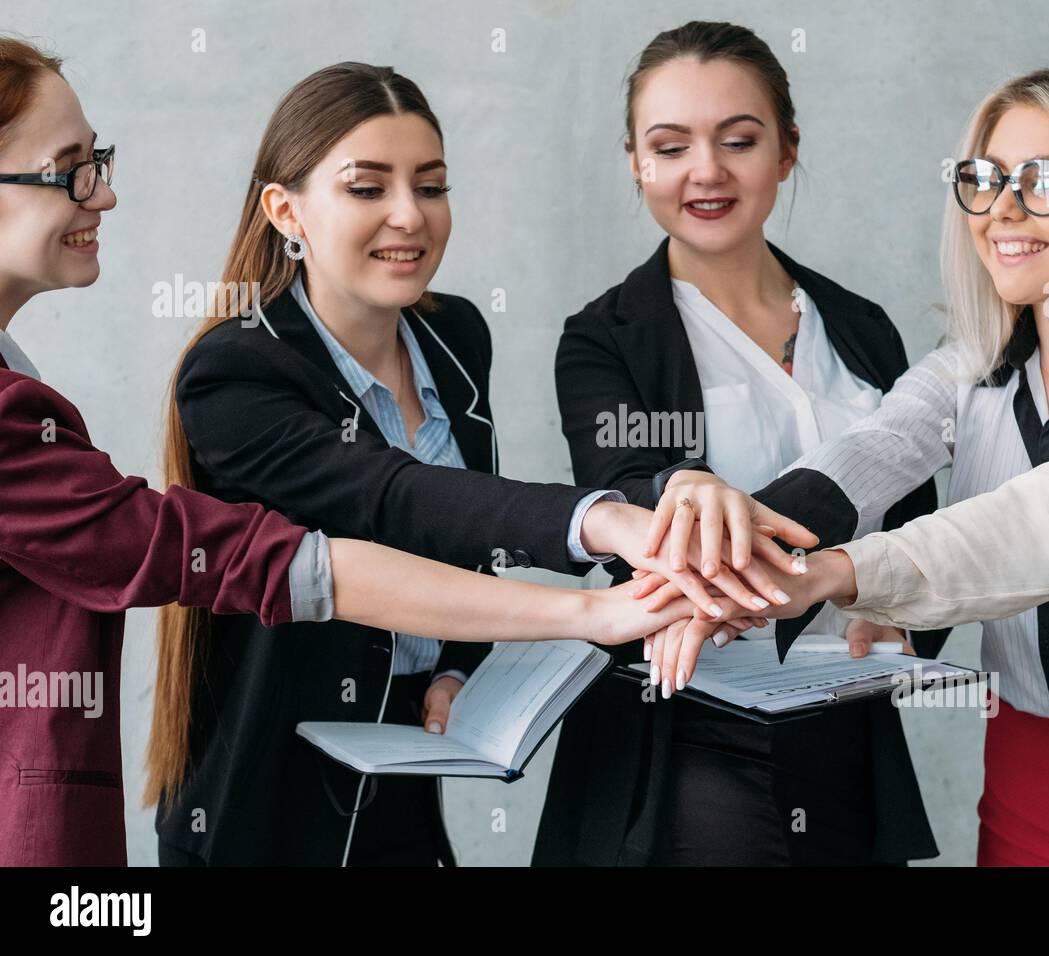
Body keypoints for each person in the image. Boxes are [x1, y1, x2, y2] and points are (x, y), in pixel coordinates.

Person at [0, 35, 725, 867]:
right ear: (286, 212)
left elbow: (463, 533)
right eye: (368, 187)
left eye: (432, 185)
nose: (410, 215)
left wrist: (456, 665)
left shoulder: (456, 335)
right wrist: (603, 546)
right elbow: (388, 501)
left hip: (409, 791)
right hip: (266, 811)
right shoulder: (233, 372)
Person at [645, 2, 1049, 866]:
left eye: (1040, 182)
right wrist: (753, 548)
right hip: (1027, 796)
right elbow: (888, 462)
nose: (999, 212)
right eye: (984, 181)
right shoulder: (972, 380)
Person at [534, 21, 946, 867]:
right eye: (670, 145)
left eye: (739, 140)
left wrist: (901, 624)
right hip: (689, 737)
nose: (706, 171)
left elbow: (920, 520)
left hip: (851, 725)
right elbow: (628, 490)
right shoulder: (604, 338)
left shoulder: (862, 327)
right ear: (636, 162)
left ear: (787, 151)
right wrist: (688, 488)